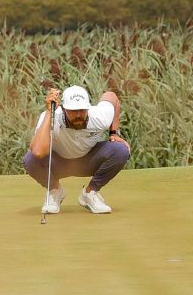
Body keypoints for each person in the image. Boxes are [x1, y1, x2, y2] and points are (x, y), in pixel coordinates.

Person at [22, 85, 130, 215]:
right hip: (59, 163)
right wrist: (50, 112)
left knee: (120, 150)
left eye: (82, 110)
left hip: (89, 160)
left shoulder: (100, 116)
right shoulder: (51, 117)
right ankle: (55, 191)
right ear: (63, 108)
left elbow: (111, 96)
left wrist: (114, 133)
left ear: (88, 108)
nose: (78, 115)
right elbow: (38, 152)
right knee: (30, 159)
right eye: (73, 110)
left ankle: (90, 193)